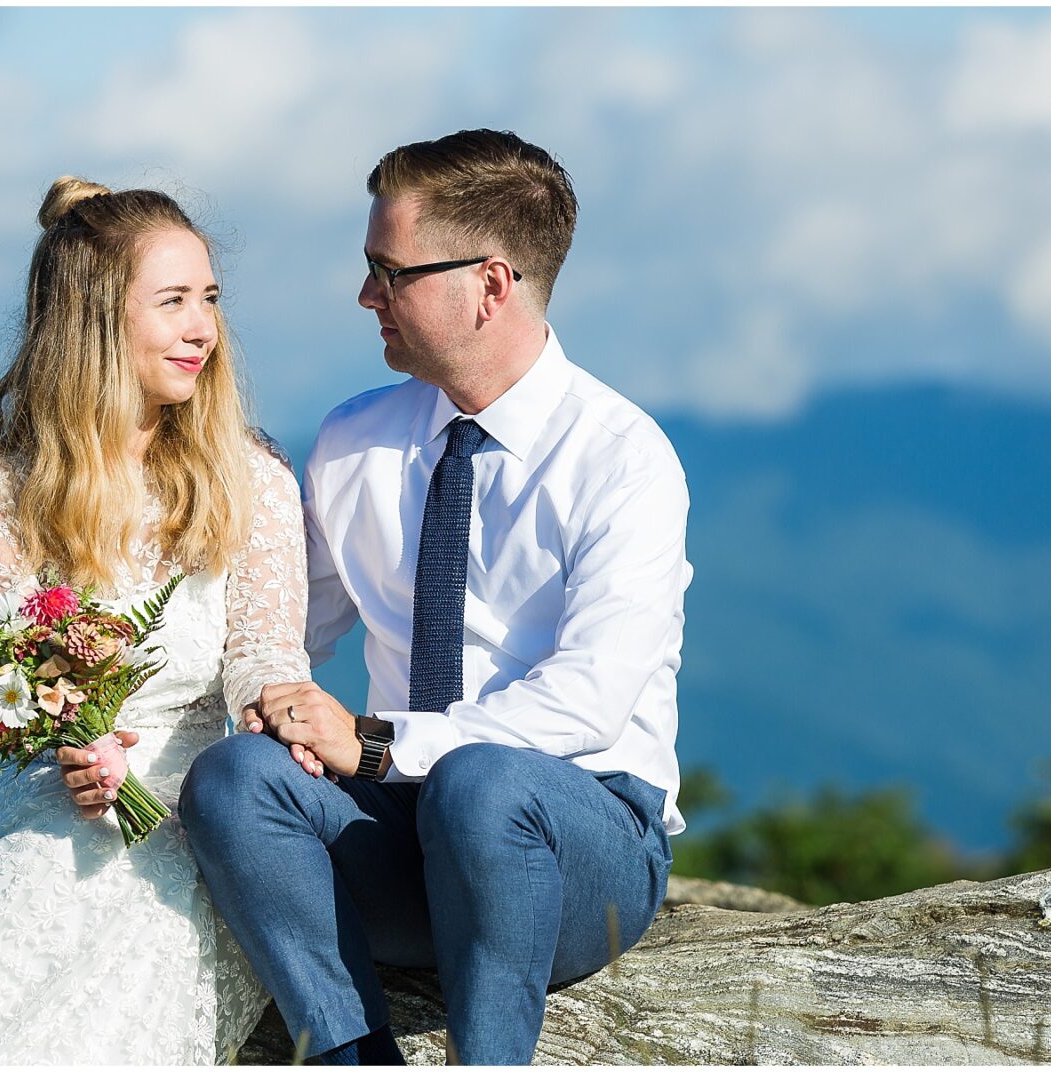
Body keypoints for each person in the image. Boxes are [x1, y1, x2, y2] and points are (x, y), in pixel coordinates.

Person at [179, 129, 691, 1065]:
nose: (366, 294)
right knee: (232, 780)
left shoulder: (625, 458)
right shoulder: (353, 440)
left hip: (582, 846)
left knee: (483, 781)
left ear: (490, 284)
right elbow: (278, 631)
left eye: (390, 271)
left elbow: (589, 701)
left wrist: (376, 744)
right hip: (402, 830)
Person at [0, 177, 317, 1064]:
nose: (204, 330)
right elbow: (14, 682)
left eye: (211, 300)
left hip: (195, 803)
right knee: (39, 890)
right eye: (174, 302)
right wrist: (73, 753)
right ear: (95, 317)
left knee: (146, 922)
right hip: (39, 788)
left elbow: (265, 651)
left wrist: (282, 710)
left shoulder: (252, 479)